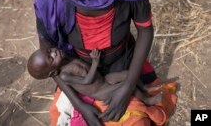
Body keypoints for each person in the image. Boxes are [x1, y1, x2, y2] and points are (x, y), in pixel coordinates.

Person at [30, 0, 177, 125]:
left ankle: (141, 92)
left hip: (123, 63)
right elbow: (49, 62)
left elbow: (145, 31)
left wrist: (128, 87)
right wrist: (80, 105)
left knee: (138, 120)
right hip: (89, 86)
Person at [28, 48, 162, 105]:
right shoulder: (64, 75)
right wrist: (95, 62)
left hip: (104, 79)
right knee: (127, 87)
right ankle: (147, 100)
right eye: (51, 58)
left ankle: (144, 88)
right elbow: (87, 80)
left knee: (127, 75)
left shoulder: (66, 58)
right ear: (52, 73)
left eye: (50, 50)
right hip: (101, 91)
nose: (54, 52)